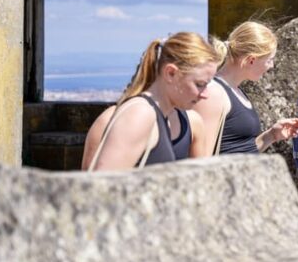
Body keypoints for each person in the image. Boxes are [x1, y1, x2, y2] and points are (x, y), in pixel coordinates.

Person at [84, 32, 221, 171]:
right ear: (170, 73)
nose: (205, 95)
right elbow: (103, 181)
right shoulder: (140, 113)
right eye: (199, 84)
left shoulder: (159, 116)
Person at [193, 21, 298, 156]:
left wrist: (271, 136)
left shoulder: (237, 91)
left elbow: (241, 150)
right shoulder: (213, 93)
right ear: (251, 60)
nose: (272, 66)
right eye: (269, 60)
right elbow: (201, 160)